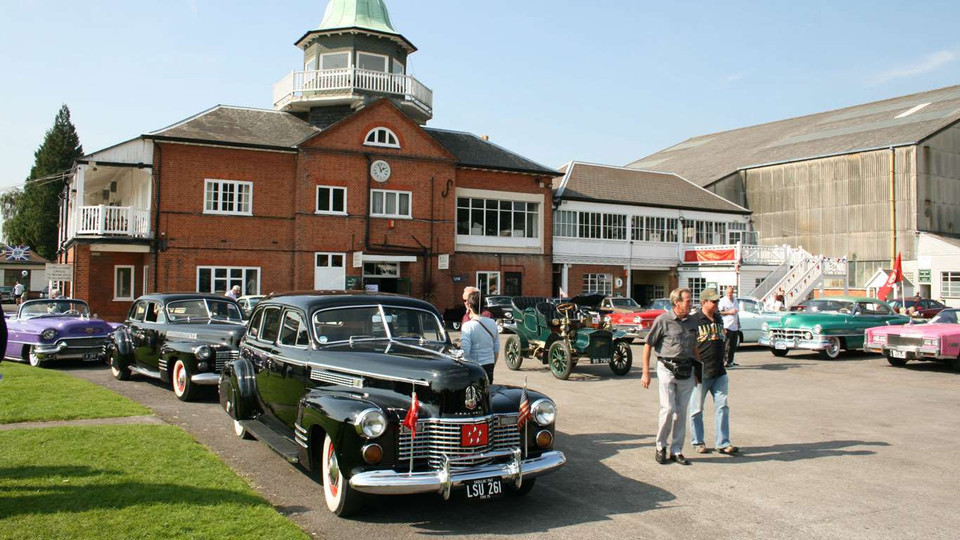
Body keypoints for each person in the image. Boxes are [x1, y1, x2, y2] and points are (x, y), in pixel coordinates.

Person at [641, 287, 699, 466]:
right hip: (666, 369)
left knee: (681, 412)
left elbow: (695, 347)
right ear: (677, 302)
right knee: (667, 409)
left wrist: (698, 372)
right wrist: (645, 372)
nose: (691, 304)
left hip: (687, 370)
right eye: (688, 301)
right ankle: (661, 447)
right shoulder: (663, 320)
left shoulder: (693, 321)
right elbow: (648, 345)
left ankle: (677, 450)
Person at [689, 288, 739, 456]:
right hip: (700, 370)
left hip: (719, 370)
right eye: (714, 301)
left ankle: (723, 443)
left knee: (722, 406)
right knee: (697, 409)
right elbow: (690, 345)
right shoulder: (694, 320)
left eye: (718, 301)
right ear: (704, 302)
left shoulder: (718, 318)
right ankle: (698, 441)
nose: (717, 304)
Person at [460, 289, 499, 382]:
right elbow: (496, 349)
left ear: (469, 306)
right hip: (489, 365)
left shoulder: (467, 326)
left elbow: (465, 351)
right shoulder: (492, 323)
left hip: (473, 367)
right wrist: (492, 365)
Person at [718, 286, 740, 367]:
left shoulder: (735, 300)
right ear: (726, 293)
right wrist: (729, 312)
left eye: (731, 292)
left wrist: (738, 323)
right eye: (729, 292)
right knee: (726, 345)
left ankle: (730, 361)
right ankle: (724, 361)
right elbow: (719, 312)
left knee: (733, 345)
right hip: (727, 325)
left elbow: (737, 311)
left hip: (735, 325)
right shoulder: (723, 300)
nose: (730, 294)